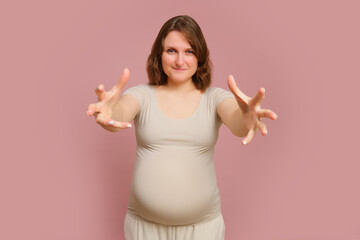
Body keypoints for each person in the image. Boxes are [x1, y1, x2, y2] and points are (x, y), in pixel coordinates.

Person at [87, 15, 277, 240]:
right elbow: (119, 115)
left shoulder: (214, 98)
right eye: (171, 51)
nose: (180, 61)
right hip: (144, 229)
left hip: (202, 230)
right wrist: (109, 114)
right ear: (159, 54)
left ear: (200, 57)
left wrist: (247, 119)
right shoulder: (142, 95)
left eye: (189, 51)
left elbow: (238, 122)